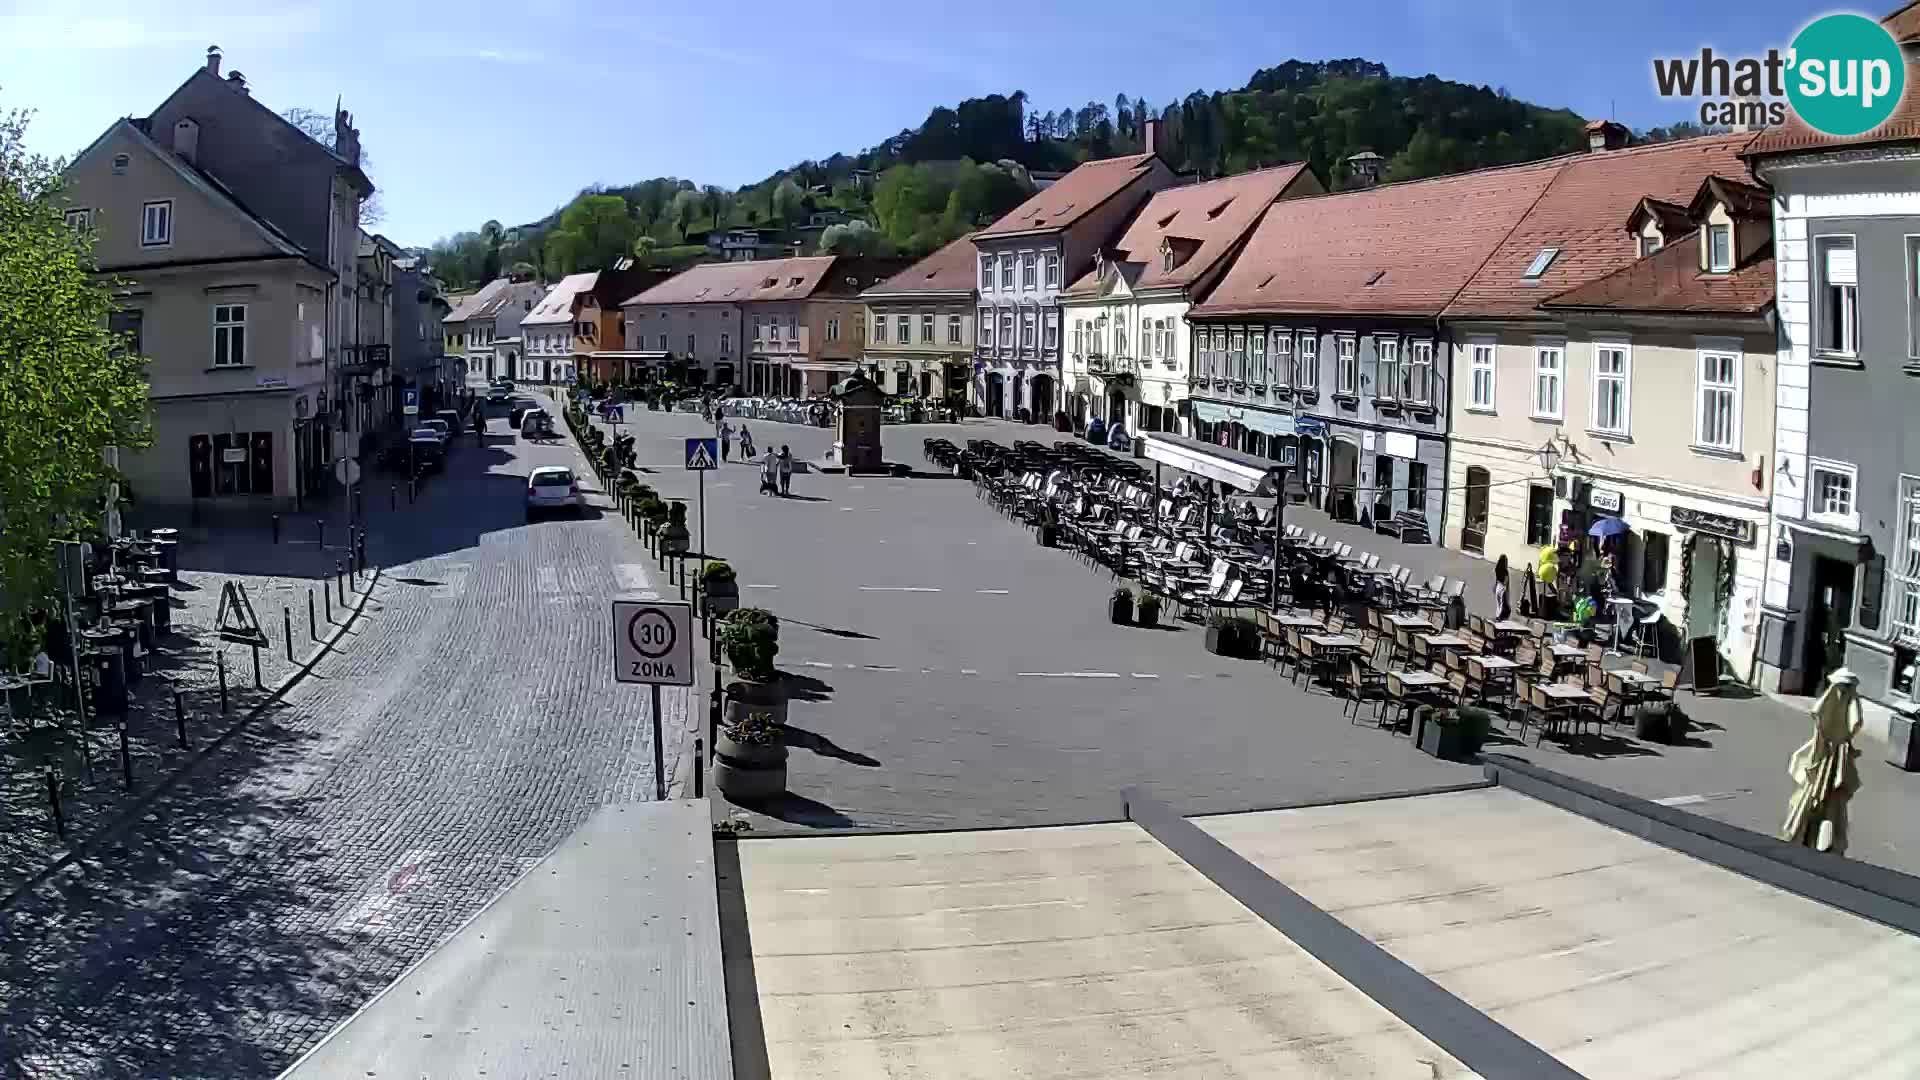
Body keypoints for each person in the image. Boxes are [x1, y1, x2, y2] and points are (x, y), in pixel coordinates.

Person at [1492, 554, 1511, 622]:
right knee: (1502, 604)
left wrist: (1495, 587)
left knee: (1498, 603)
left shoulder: (1497, 569)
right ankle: (1499, 617)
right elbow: (1506, 582)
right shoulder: (1505, 571)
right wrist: (1506, 590)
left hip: (1498, 586)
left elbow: (1496, 579)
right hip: (1503, 588)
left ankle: (1497, 615)